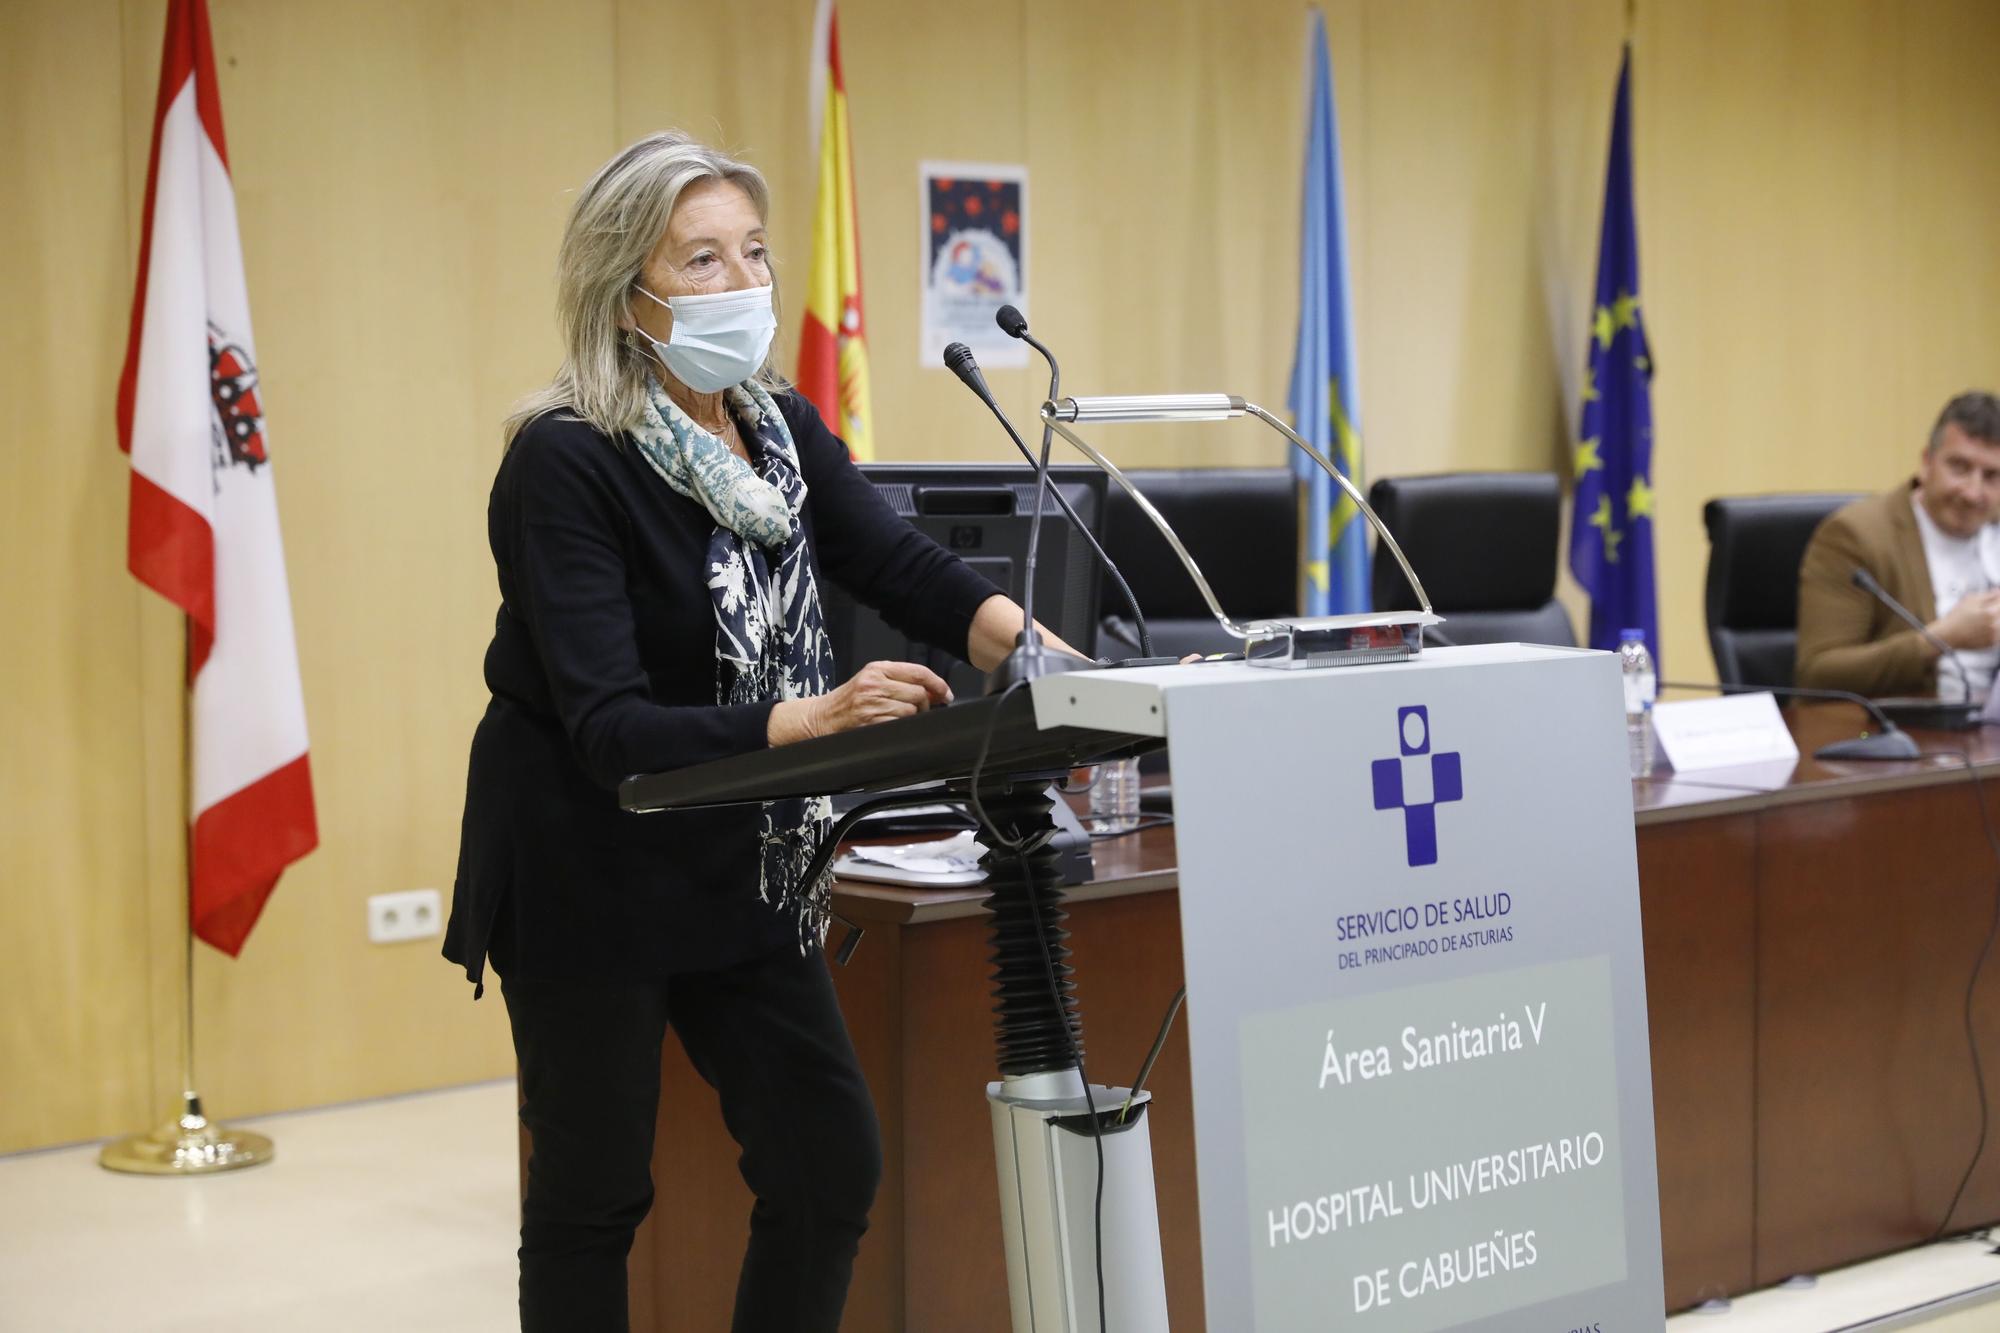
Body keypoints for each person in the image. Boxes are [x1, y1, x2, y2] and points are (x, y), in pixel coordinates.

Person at [442, 130, 1075, 1332]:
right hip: (587, 858)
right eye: (699, 260)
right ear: (624, 293)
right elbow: (612, 730)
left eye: (752, 252)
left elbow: (896, 561)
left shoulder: (772, 426)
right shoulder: (565, 462)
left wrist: (1054, 662)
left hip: (739, 852)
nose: (742, 284)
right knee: (593, 1195)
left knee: (826, 1164)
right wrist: (814, 719)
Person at [1797, 392, 2000, 700]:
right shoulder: (1855, 535)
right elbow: (1817, 675)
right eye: (1959, 467)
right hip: (1898, 736)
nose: (1973, 493)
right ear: (1926, 462)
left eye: (1992, 476)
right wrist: (1939, 639)